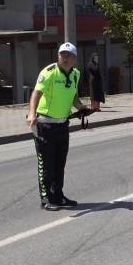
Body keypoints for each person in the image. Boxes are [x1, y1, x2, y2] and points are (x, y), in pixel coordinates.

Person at [26, 42, 89, 211]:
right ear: (58, 56)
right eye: (63, 54)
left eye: (69, 55)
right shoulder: (49, 72)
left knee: (60, 163)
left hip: (62, 125)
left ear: (75, 58)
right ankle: (45, 199)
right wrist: (32, 113)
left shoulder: (75, 74)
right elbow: (36, 93)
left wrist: (82, 108)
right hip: (45, 125)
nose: (65, 58)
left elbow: (74, 97)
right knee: (46, 164)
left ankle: (58, 196)